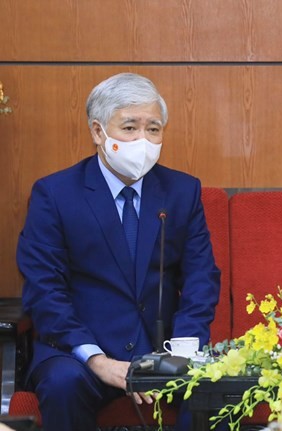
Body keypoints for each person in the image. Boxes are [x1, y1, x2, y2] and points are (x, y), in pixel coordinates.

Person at [17, 72, 220, 431]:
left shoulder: (182, 192)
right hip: (80, 352)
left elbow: (201, 280)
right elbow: (44, 290)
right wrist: (96, 359)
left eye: (153, 129)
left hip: (163, 351)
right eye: (130, 128)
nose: (143, 140)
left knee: (210, 388)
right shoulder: (55, 194)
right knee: (64, 383)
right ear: (99, 132)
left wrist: (180, 356)